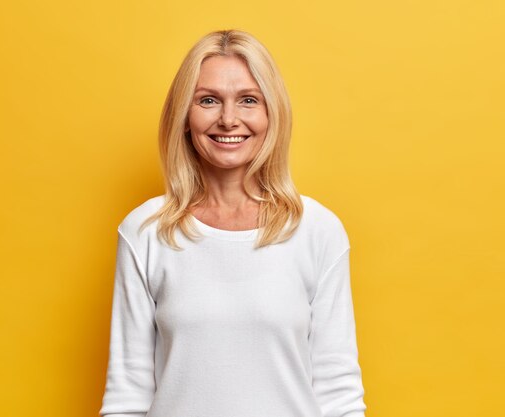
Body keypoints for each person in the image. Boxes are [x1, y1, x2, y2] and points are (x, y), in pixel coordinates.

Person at [99, 29, 367, 417]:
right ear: (184, 118)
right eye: (208, 100)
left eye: (248, 100)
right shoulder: (145, 232)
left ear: (271, 113)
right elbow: (127, 396)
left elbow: (338, 394)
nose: (228, 120)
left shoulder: (317, 231)